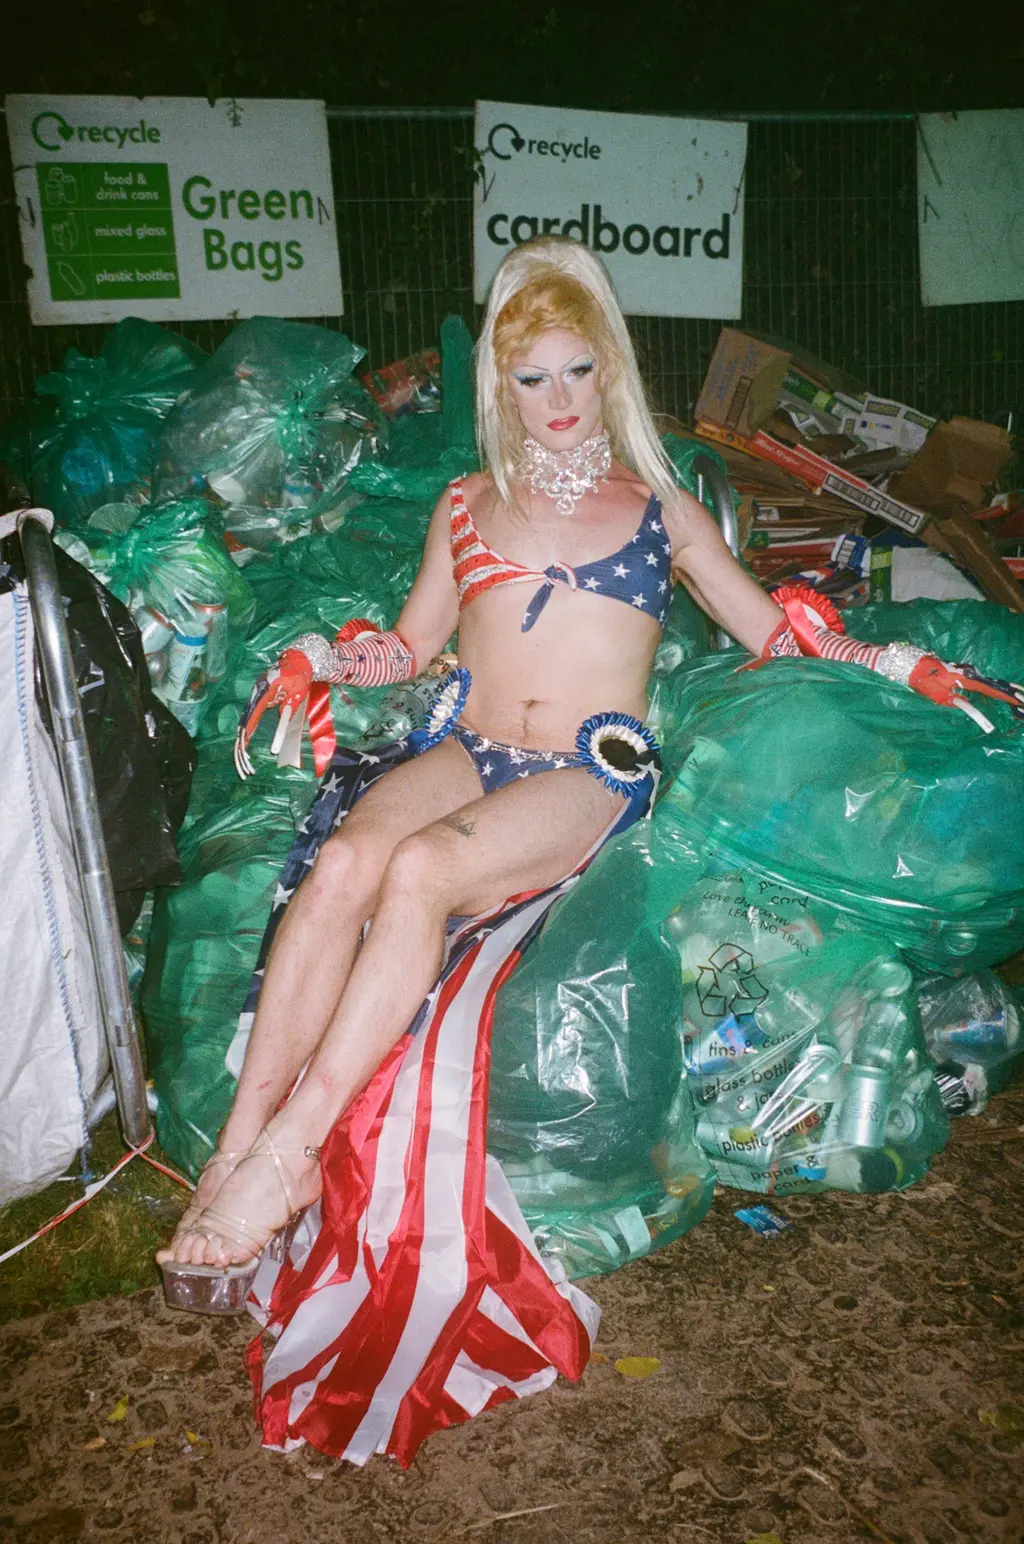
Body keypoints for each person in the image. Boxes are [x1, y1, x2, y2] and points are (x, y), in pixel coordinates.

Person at [158, 236, 782, 1286]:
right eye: (532, 378)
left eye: (577, 370)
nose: (559, 399)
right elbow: (407, 647)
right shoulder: (463, 501)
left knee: (421, 868)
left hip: (591, 767)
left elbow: (774, 632)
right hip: (467, 744)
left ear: (611, 368)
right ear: (501, 384)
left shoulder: (660, 510)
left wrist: (898, 663)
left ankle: (294, 1151)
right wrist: (321, 655)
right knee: (343, 862)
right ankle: (235, 1145)